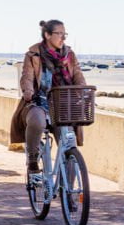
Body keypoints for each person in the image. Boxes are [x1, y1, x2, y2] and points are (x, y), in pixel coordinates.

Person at [10, 19, 87, 172]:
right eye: (59, 34)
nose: (63, 38)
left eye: (64, 34)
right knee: (37, 122)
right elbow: (27, 76)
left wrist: (83, 91)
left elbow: (78, 75)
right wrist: (28, 91)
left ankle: (68, 192)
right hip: (39, 101)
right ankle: (32, 159)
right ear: (47, 35)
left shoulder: (69, 55)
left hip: (63, 104)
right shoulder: (33, 54)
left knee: (68, 144)